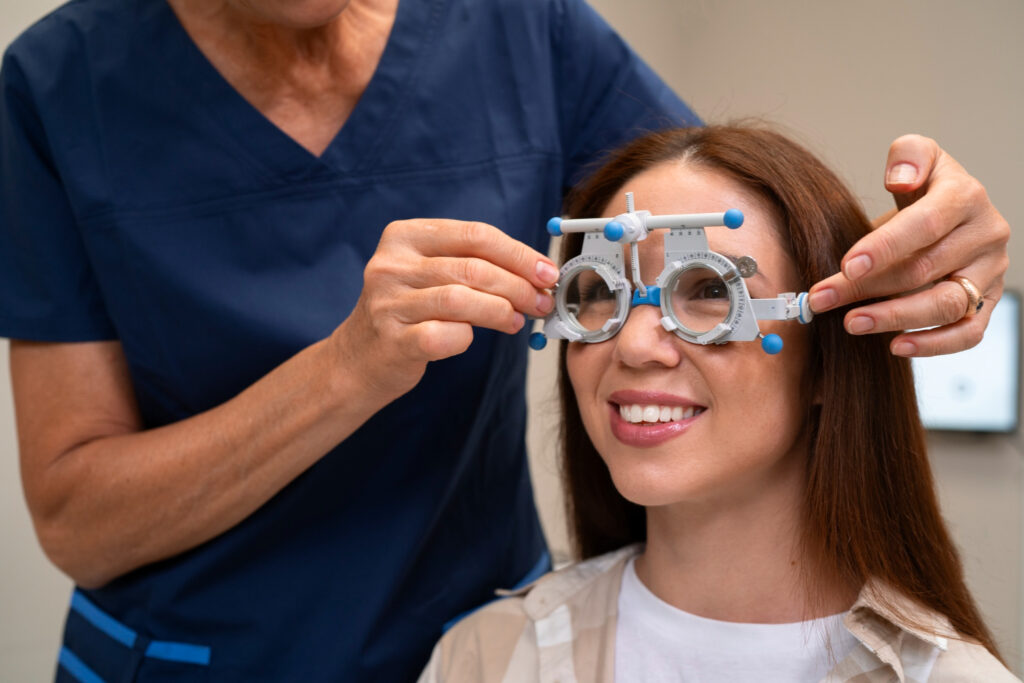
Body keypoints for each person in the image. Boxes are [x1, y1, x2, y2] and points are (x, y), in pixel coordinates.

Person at [0, 0, 1008, 680]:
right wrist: (349, 369)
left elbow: (746, 227)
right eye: (599, 298)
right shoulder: (59, 89)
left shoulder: (517, 27)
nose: (645, 342)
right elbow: (77, 516)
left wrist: (913, 258)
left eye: (693, 301)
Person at [418, 125, 1020, 682]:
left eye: (709, 290)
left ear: (827, 363)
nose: (632, 343)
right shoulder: (485, 660)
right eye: (599, 292)